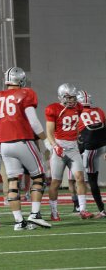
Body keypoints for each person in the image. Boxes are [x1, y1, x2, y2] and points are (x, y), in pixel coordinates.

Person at [0, 67, 51, 231]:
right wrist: (46, 140)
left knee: (12, 182)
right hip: (23, 141)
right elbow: (34, 121)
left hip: (4, 144)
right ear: (21, 80)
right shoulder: (26, 93)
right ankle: (35, 215)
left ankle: (18, 222)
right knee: (38, 177)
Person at [45, 83, 93, 220]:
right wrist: (54, 146)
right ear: (61, 97)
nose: (72, 100)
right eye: (69, 97)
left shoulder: (78, 107)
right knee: (56, 182)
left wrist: (77, 135)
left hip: (73, 148)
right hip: (59, 148)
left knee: (80, 178)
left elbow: (76, 124)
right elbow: (49, 131)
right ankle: (54, 212)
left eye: (73, 97)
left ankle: (83, 210)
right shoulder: (53, 109)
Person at [76, 89, 106, 218]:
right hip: (102, 147)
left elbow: (76, 135)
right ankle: (102, 210)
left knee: (91, 180)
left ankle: (101, 210)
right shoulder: (98, 110)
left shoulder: (78, 114)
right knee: (92, 177)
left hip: (91, 149)